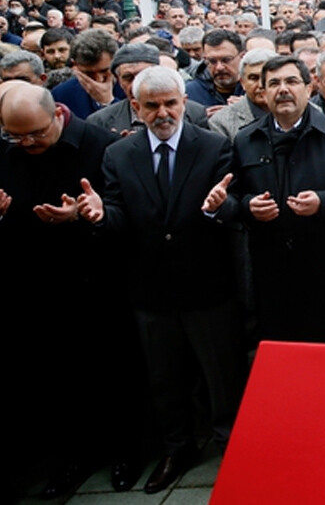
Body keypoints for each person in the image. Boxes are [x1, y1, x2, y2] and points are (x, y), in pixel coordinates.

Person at [77, 67, 246, 494]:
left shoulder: (213, 147)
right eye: (151, 106)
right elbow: (116, 213)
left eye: (170, 102)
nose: (163, 112)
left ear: (183, 102)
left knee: (221, 376)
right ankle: (177, 448)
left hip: (207, 286)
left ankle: (233, 447)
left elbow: (232, 209)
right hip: (149, 290)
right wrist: (100, 215)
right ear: (135, 108)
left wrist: (216, 209)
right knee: (164, 377)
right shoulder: (119, 155)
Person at [0, 83, 144, 497]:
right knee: (58, 380)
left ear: (58, 117)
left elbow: (124, 216)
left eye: (36, 134)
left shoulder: (100, 145)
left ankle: (125, 453)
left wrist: (83, 217)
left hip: (97, 283)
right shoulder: (8, 150)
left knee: (114, 374)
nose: (26, 143)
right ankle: (73, 457)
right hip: (34, 287)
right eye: (16, 136)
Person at [219, 56, 325, 343]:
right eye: (273, 83)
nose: (282, 89)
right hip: (273, 273)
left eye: (291, 81)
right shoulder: (245, 139)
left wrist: (324, 202)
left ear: (309, 88)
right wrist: (250, 206)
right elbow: (234, 198)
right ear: (262, 92)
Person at [87, 43, 207, 135]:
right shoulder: (100, 122)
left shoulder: (194, 113)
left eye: (143, 75)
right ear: (118, 80)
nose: (136, 84)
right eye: (128, 78)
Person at [50, 28, 122, 119]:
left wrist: (108, 102)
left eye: (104, 71)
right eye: (89, 73)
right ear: (75, 65)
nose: (99, 79)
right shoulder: (62, 94)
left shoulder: (131, 88)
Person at [185, 28, 245, 111]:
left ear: (242, 57)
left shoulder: (256, 90)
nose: (219, 67)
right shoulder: (190, 92)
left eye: (226, 60)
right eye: (212, 61)